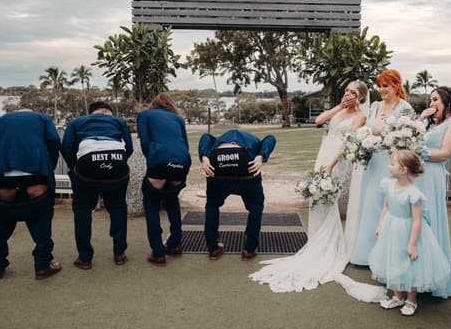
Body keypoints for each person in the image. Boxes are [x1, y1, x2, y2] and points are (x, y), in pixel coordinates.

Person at [250, 82, 373, 293]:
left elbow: (347, 142)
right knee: (316, 199)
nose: (349, 94)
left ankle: (330, 249)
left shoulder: (361, 116)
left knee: (328, 200)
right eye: (347, 91)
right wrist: (340, 106)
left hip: (337, 159)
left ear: (361, 98)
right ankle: (314, 244)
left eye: (353, 92)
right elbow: (319, 120)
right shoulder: (341, 109)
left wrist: (332, 165)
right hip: (323, 153)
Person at [0, 109, 62, 280]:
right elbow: (54, 140)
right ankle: (42, 265)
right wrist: (48, 165)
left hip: (2, 172)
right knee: (41, 216)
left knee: (1, 218)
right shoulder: (43, 119)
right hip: (37, 171)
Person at [369, 150, 451, 316]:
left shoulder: (414, 194)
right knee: (392, 259)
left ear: (403, 170)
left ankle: (411, 299)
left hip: (408, 232)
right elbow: (386, 206)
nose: (388, 166)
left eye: (392, 164)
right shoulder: (389, 184)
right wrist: (379, 226)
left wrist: (412, 244)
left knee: (410, 265)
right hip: (390, 228)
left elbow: (417, 220)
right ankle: (398, 295)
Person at [346, 69, 414, 265]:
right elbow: (367, 129)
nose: (382, 89)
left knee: (386, 204)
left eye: (386, 86)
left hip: (392, 162)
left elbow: (406, 137)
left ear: (396, 86)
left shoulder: (405, 108)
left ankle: (386, 255)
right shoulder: (375, 105)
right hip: (372, 161)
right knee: (369, 204)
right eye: (380, 86)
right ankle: (366, 254)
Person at [61, 101, 133, 269]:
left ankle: (85, 258)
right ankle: (119, 253)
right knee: (118, 208)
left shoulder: (76, 122)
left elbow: (66, 148)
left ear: (91, 112)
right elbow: (128, 147)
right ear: (108, 111)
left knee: (82, 210)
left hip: (87, 165)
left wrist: (76, 169)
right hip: (117, 162)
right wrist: (118, 162)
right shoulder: (119, 121)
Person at [415, 86, 451, 299]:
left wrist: (417, 151)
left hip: (432, 176)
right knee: (415, 223)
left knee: (429, 220)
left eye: (435, 100)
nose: (431, 104)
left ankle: (433, 279)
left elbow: (444, 153)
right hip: (417, 176)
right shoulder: (431, 124)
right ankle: (415, 277)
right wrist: (419, 120)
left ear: (447, 102)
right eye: (430, 100)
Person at [199, 129, 276, 260]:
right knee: (255, 207)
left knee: (212, 204)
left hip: (218, 161)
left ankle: (213, 248)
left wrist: (204, 157)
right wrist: (261, 156)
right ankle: (249, 250)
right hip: (244, 162)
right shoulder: (254, 140)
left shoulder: (218, 138)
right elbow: (271, 138)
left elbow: (205, 137)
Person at [137, 93, 191, 266]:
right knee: (172, 201)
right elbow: (185, 143)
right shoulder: (178, 119)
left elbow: (145, 142)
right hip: (182, 161)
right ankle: (175, 245)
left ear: (153, 104)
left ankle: (158, 253)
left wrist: (153, 159)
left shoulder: (144, 115)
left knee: (152, 206)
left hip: (159, 160)